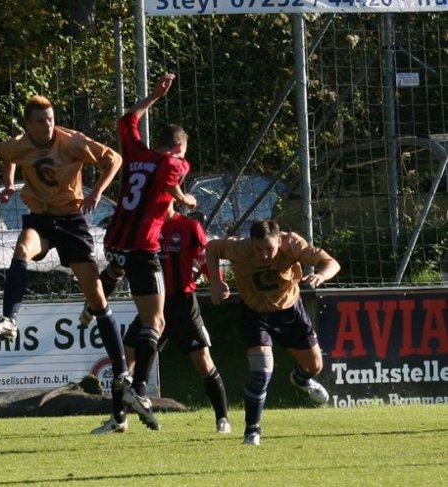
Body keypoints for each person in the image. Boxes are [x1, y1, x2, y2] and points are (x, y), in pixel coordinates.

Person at [0, 94, 134, 428]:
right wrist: (9, 184)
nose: (47, 124)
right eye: (40, 120)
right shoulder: (20, 145)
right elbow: (7, 154)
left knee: (97, 300)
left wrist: (95, 193)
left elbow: (116, 160)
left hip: (72, 221)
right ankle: (9, 319)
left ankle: (122, 371)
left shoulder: (73, 142)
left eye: (50, 118)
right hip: (41, 219)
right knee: (22, 250)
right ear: (28, 124)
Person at [85, 73, 197, 432]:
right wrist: (184, 197)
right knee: (155, 322)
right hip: (142, 247)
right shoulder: (173, 163)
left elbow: (125, 121)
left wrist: (153, 96)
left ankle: (93, 304)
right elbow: (171, 177)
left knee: (121, 282)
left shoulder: (135, 154)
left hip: (115, 241)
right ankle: (141, 391)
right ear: (179, 148)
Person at [92, 203, 231, 434]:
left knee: (203, 361)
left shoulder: (189, 227)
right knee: (125, 359)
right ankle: (118, 420)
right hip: (153, 303)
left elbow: (205, 259)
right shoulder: (143, 229)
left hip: (183, 305)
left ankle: (222, 419)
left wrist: (217, 280)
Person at [205, 219, 341, 446]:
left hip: (289, 312)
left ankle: (300, 379)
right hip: (255, 313)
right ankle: (252, 430)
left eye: (269, 249)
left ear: (280, 241)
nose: (264, 256)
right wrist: (216, 282)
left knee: (315, 366)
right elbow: (212, 248)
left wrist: (321, 276)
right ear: (251, 243)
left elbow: (331, 263)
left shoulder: (293, 245)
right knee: (261, 371)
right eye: (259, 250)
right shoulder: (241, 248)